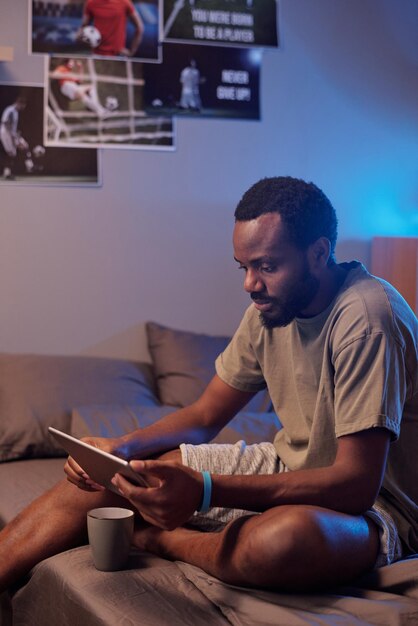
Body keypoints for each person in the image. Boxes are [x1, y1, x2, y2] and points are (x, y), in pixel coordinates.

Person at [0, 176, 416, 593]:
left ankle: (160, 538)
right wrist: (121, 448)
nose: (250, 284)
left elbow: (357, 485)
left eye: (267, 266)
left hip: (379, 507)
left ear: (319, 253)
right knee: (127, 475)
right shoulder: (268, 309)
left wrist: (204, 492)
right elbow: (204, 416)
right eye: (244, 266)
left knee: (281, 540)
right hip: (290, 465)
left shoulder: (367, 319)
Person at [78, 0, 144, 58]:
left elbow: (139, 27)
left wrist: (131, 52)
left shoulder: (124, 2)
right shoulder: (91, 3)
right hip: (96, 54)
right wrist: (82, 38)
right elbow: (83, 27)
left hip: (118, 56)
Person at [0, 96, 28, 180]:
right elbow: (5, 122)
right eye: (22, 106)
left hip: (11, 134)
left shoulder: (16, 112)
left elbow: (12, 126)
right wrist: (12, 136)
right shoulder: (10, 110)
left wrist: (15, 134)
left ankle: (29, 166)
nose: (22, 108)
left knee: (23, 146)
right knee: (11, 153)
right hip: (5, 134)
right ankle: (7, 173)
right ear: (19, 103)